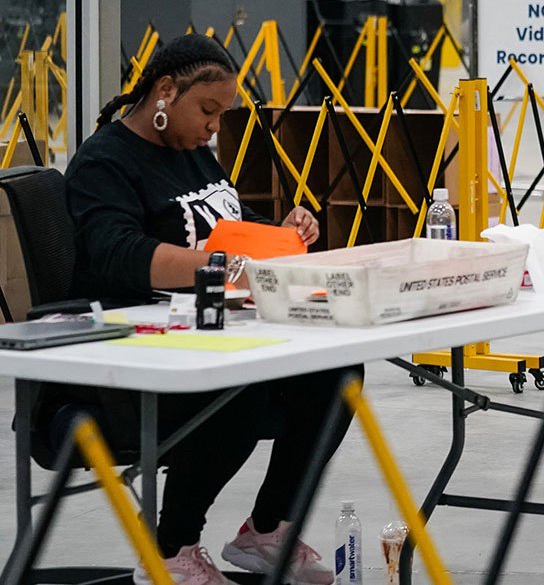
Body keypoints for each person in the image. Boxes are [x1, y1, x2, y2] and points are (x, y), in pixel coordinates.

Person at [54, 33, 354, 584]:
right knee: (241, 383)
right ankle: (170, 549)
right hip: (128, 353)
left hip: (207, 327)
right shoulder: (104, 163)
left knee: (337, 373)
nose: (215, 127)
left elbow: (223, 229)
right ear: (165, 91)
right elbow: (121, 253)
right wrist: (221, 265)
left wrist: (279, 230)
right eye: (208, 111)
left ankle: (266, 530)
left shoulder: (192, 155)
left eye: (222, 115)